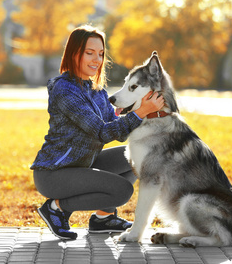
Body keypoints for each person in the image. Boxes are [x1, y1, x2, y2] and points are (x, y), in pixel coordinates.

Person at [30, 25, 165, 240]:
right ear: (74, 53)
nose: (97, 59)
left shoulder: (96, 89)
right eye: (89, 53)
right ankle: (56, 207)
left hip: (83, 164)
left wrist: (146, 112)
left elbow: (116, 127)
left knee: (135, 155)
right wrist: (140, 112)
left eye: (101, 54)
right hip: (54, 174)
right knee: (121, 191)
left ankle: (103, 218)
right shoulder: (64, 90)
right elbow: (101, 132)